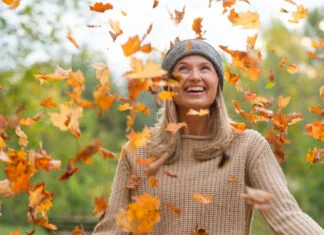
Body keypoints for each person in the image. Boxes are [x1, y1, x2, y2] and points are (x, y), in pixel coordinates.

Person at [93, 39, 324, 234]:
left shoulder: (248, 146)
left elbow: (288, 217)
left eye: (205, 68)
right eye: (183, 69)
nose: (195, 76)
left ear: (218, 83)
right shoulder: (138, 151)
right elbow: (112, 228)